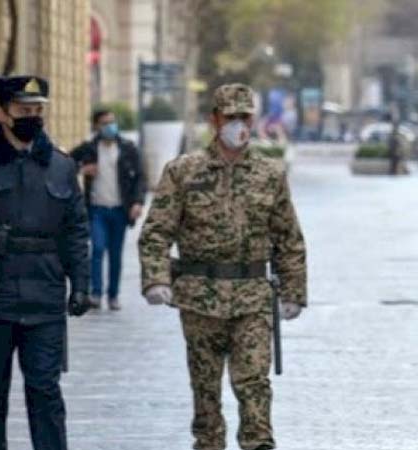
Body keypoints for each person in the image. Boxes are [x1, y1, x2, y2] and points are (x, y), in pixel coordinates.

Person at [138, 83, 307, 450]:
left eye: (244, 117)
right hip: (199, 297)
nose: (238, 124)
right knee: (205, 389)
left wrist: (294, 292)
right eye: (230, 117)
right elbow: (156, 232)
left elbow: (288, 237)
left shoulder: (269, 174)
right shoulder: (183, 172)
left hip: (252, 298)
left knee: (254, 384)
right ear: (214, 119)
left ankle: (258, 444)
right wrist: (156, 279)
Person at [0, 75, 90, 450]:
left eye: (38, 110)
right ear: (2, 112)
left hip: (45, 295)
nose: (32, 117)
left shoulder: (61, 165)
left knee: (46, 390)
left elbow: (75, 229)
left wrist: (82, 284)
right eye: (24, 110)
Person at [71, 109, 146, 310]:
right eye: (105, 123)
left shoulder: (128, 148)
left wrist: (137, 202)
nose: (110, 127)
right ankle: (96, 293)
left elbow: (140, 177)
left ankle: (113, 295)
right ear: (96, 126)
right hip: (96, 209)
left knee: (115, 254)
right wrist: (81, 170)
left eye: (112, 122)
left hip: (120, 210)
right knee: (97, 248)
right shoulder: (88, 149)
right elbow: (65, 163)